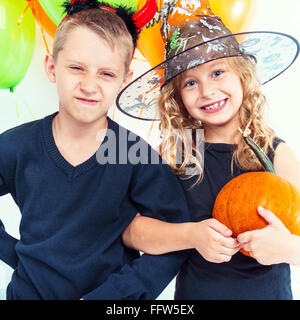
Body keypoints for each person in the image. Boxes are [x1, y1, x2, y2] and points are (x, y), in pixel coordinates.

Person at [0, 0, 191, 300]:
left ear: (124, 80)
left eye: (106, 74)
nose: (89, 85)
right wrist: (15, 255)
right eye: (77, 68)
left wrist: (115, 295)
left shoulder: (134, 155)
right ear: (51, 67)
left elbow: (178, 236)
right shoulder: (15, 145)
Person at [118, 14, 300, 299]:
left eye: (217, 73)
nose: (207, 91)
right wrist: (192, 235)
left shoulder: (277, 155)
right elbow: (133, 231)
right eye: (190, 82)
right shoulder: (175, 157)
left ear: (242, 74)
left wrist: (289, 248)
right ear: (177, 97)